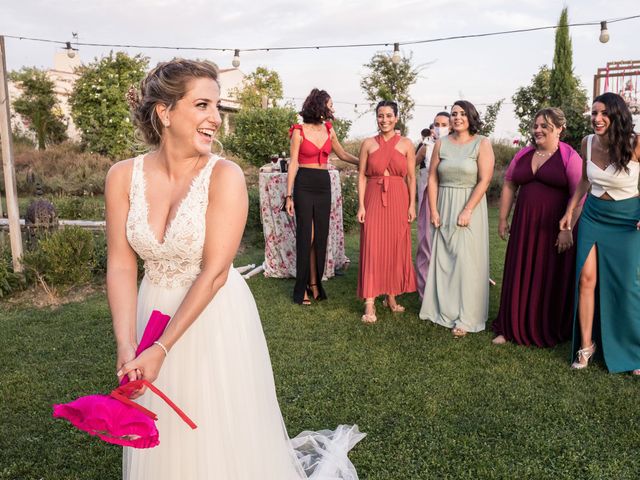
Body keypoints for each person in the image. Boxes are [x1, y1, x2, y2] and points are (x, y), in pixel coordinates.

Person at [106, 59, 364, 479]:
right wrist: (126, 343)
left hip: (212, 315)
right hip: (152, 308)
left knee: (216, 426)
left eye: (217, 106)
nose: (215, 119)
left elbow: (215, 273)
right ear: (165, 112)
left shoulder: (224, 177)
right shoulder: (121, 176)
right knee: (162, 429)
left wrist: (162, 348)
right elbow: (120, 263)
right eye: (203, 105)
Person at [559, 92, 640, 374]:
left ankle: (632, 350)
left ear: (617, 115)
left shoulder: (635, 143)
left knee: (626, 285)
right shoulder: (587, 142)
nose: (597, 118)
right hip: (594, 216)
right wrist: (571, 210)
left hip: (627, 220)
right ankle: (586, 346)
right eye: (594, 113)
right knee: (586, 279)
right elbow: (584, 180)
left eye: (603, 113)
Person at [492, 108, 584, 347]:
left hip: (555, 228)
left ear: (559, 129)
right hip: (525, 226)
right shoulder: (523, 154)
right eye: (536, 125)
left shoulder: (569, 156)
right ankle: (509, 326)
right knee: (519, 271)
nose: (538, 130)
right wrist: (503, 218)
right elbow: (510, 183)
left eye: (545, 125)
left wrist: (568, 229)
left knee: (547, 274)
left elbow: (580, 195)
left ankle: (545, 326)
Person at [419, 100, 495, 336]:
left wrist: (468, 209)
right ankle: (442, 310)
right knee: (443, 259)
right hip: (443, 202)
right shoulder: (441, 143)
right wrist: (433, 209)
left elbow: (485, 179)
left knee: (466, 261)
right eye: (454, 114)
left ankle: (466, 316)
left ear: (471, 116)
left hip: (470, 204)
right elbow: (432, 178)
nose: (457, 117)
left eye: (462, 113)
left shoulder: (482, 143)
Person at [285, 88, 359, 305]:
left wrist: (364, 161)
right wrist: (289, 196)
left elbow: (343, 154)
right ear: (319, 105)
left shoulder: (329, 129)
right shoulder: (298, 131)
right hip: (304, 184)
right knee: (306, 236)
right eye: (330, 104)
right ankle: (302, 289)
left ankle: (315, 283)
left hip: (323, 184)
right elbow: (294, 163)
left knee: (320, 237)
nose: (332, 108)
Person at [357, 100, 417, 323]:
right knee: (372, 246)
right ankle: (370, 302)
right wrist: (361, 205)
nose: (385, 120)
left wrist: (412, 205)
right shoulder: (368, 144)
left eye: (389, 116)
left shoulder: (407, 144)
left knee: (395, 246)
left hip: (399, 198)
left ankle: (391, 296)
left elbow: (411, 177)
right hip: (373, 196)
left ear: (396, 118)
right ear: (377, 118)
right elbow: (362, 175)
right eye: (381, 116)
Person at [415, 111, 451, 300]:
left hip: (449, 197)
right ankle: (424, 291)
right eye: (437, 123)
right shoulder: (426, 146)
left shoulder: (455, 146)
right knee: (427, 241)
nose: (440, 127)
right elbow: (409, 166)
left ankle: (446, 287)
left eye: (444, 124)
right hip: (428, 196)